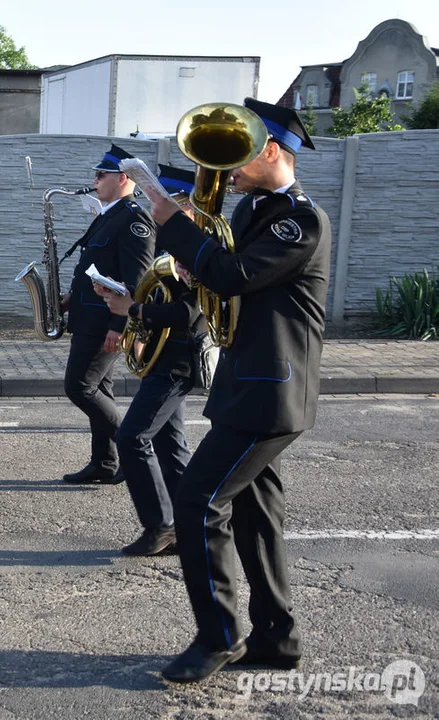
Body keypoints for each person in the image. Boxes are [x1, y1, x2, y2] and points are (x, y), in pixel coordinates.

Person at [148, 99, 331, 683]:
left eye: (243, 152)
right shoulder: (252, 209)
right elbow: (217, 280)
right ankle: (278, 638)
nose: (229, 166)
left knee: (199, 501)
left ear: (273, 150)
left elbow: (234, 276)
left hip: (271, 391)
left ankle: (218, 636)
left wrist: (168, 219)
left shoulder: (298, 220)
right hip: (246, 385)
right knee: (256, 517)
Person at [93, 165, 204, 556]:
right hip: (163, 356)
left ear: (184, 204)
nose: (152, 203)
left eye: (160, 197)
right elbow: (159, 297)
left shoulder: (197, 246)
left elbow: (189, 315)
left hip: (179, 360)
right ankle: (192, 526)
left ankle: (162, 526)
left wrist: (134, 311)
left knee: (132, 437)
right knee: (170, 444)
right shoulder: (170, 244)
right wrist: (118, 296)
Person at [60, 145, 156, 485]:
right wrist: (71, 296)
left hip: (105, 321)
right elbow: (98, 267)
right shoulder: (109, 214)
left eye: (102, 174)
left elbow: (138, 280)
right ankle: (105, 462)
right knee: (100, 388)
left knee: (79, 387)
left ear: (123, 178)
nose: (95, 180)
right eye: (96, 174)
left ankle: (132, 447)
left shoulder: (133, 219)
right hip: (88, 315)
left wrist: (120, 325)